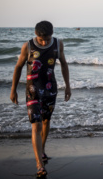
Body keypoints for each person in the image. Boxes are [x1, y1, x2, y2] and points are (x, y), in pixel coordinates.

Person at [10, 21, 71, 177]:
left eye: (47, 39)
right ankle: (39, 164)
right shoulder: (28, 46)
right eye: (41, 39)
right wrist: (13, 90)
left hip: (51, 89)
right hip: (33, 91)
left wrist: (68, 86)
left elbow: (64, 64)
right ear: (36, 35)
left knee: (46, 121)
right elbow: (18, 67)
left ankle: (42, 150)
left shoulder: (58, 44)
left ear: (52, 34)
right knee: (36, 126)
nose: (44, 42)